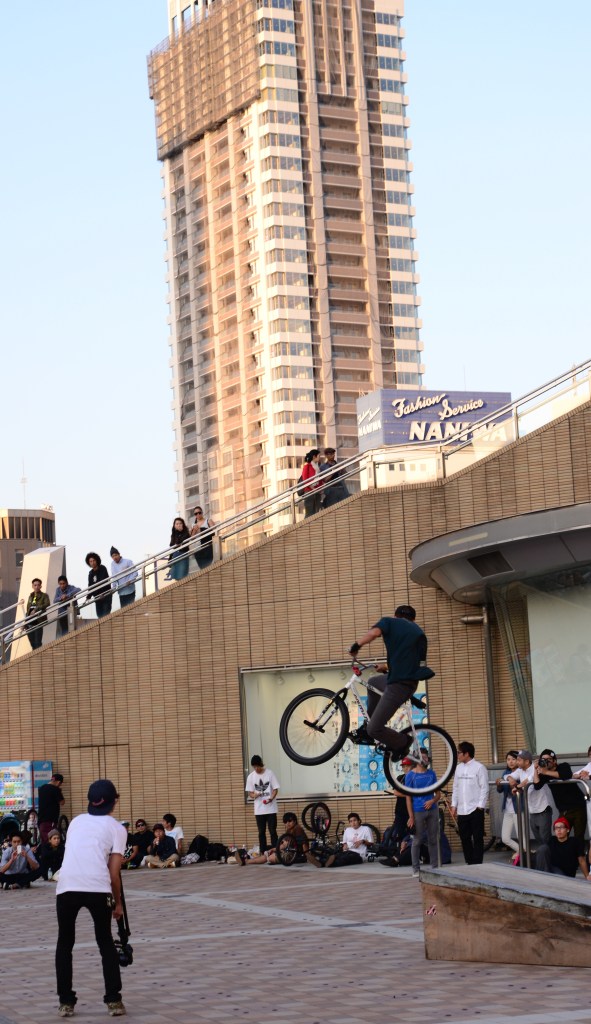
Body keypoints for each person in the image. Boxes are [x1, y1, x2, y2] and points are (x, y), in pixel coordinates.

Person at [55, 778, 127, 1017]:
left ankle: (66, 1002)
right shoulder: (117, 828)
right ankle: (113, 1001)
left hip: (67, 885)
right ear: (114, 801)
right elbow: (114, 874)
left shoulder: (76, 821)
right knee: (105, 941)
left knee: (65, 943)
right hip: (98, 887)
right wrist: (117, 904)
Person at [348, 604, 434, 757]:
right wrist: (387, 667)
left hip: (399, 685)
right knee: (373, 682)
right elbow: (410, 661)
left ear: (395, 616)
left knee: (374, 729)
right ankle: (368, 724)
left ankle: (403, 742)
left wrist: (356, 645)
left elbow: (374, 633)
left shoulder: (390, 622)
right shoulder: (418, 632)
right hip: (405, 681)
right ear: (413, 619)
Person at [533, 748, 587, 839]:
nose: (546, 762)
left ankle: (579, 849)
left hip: (578, 807)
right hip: (563, 810)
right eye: (543, 760)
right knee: (561, 837)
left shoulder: (563, 766)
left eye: (548, 759)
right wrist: (535, 769)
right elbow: (537, 786)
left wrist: (546, 772)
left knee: (579, 837)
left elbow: (566, 775)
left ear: (554, 761)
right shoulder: (545, 774)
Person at [451, 741, 489, 865]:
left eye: (459, 752)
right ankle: (469, 862)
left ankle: (477, 862)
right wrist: (454, 805)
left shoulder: (479, 767)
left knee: (478, 837)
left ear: (466, 753)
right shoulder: (458, 768)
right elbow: (455, 787)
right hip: (462, 810)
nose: (457, 755)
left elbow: (484, 788)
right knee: (464, 838)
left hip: (475, 809)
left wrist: (480, 806)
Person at [507, 749, 553, 846]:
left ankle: (549, 855)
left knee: (545, 839)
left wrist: (518, 786)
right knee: (538, 839)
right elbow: (508, 775)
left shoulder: (536, 768)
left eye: (519, 760)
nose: (516, 762)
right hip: (532, 810)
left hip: (543, 809)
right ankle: (543, 855)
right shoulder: (520, 770)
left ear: (527, 761)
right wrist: (510, 779)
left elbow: (529, 780)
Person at [405, 754, 440, 877]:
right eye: (423, 757)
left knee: (433, 839)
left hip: (433, 810)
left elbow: (438, 794)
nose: (426, 759)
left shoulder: (432, 774)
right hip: (418, 811)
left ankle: (435, 867)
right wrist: (411, 816)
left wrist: (432, 801)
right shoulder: (410, 775)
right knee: (417, 840)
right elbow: (408, 798)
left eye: (426, 757)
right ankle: (416, 869)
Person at [245, 755, 280, 854]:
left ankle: (276, 852)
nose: (256, 768)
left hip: (271, 808)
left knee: (272, 831)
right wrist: (255, 795)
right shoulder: (251, 777)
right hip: (259, 810)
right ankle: (263, 852)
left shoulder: (270, 773)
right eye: (254, 767)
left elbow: (275, 789)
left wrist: (271, 798)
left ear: (261, 764)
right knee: (261, 832)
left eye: (257, 766)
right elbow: (250, 793)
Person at [245, 812, 309, 864]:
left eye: (290, 821)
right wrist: (273, 849)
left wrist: (274, 849)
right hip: (290, 852)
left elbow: (286, 845)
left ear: (295, 821)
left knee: (270, 858)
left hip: (296, 855)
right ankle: (247, 861)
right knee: (267, 855)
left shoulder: (297, 829)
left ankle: (247, 861)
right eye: (285, 822)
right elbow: (284, 844)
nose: (287, 823)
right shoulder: (289, 830)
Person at [495, 750, 520, 863]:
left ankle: (524, 855)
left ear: (518, 760)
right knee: (505, 838)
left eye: (513, 759)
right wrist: (499, 784)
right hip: (507, 809)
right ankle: (522, 851)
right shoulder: (505, 772)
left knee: (521, 836)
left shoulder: (521, 772)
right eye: (508, 759)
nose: (511, 762)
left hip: (519, 808)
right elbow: (500, 790)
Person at [38, 772, 65, 844]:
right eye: (60, 784)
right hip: (50, 820)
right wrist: (60, 791)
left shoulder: (42, 788)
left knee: (44, 842)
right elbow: (62, 802)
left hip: (41, 819)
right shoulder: (55, 789)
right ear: (58, 782)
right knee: (52, 842)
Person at [25, 577, 50, 650]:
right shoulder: (31, 596)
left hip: (38, 620)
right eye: (35, 585)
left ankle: (39, 655)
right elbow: (28, 609)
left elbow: (47, 604)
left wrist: (36, 609)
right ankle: (35, 655)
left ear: (41, 586)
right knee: (32, 642)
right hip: (30, 621)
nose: (37, 587)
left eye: (38, 585)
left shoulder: (44, 595)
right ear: (32, 586)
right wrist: (25, 622)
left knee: (37, 642)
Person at [85, 553, 112, 619]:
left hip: (105, 595)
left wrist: (102, 593)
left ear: (97, 560)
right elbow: (90, 586)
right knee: (99, 615)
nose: (92, 563)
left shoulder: (102, 568)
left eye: (94, 560)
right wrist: (88, 596)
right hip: (97, 597)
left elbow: (103, 581)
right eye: (90, 561)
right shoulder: (90, 573)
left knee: (106, 615)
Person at [300, 449, 321, 517]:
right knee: (309, 512)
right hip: (309, 491)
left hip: (317, 491)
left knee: (317, 512)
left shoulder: (317, 467)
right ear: (314, 456)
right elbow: (305, 480)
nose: (319, 458)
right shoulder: (307, 466)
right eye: (319, 456)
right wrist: (312, 488)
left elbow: (319, 479)